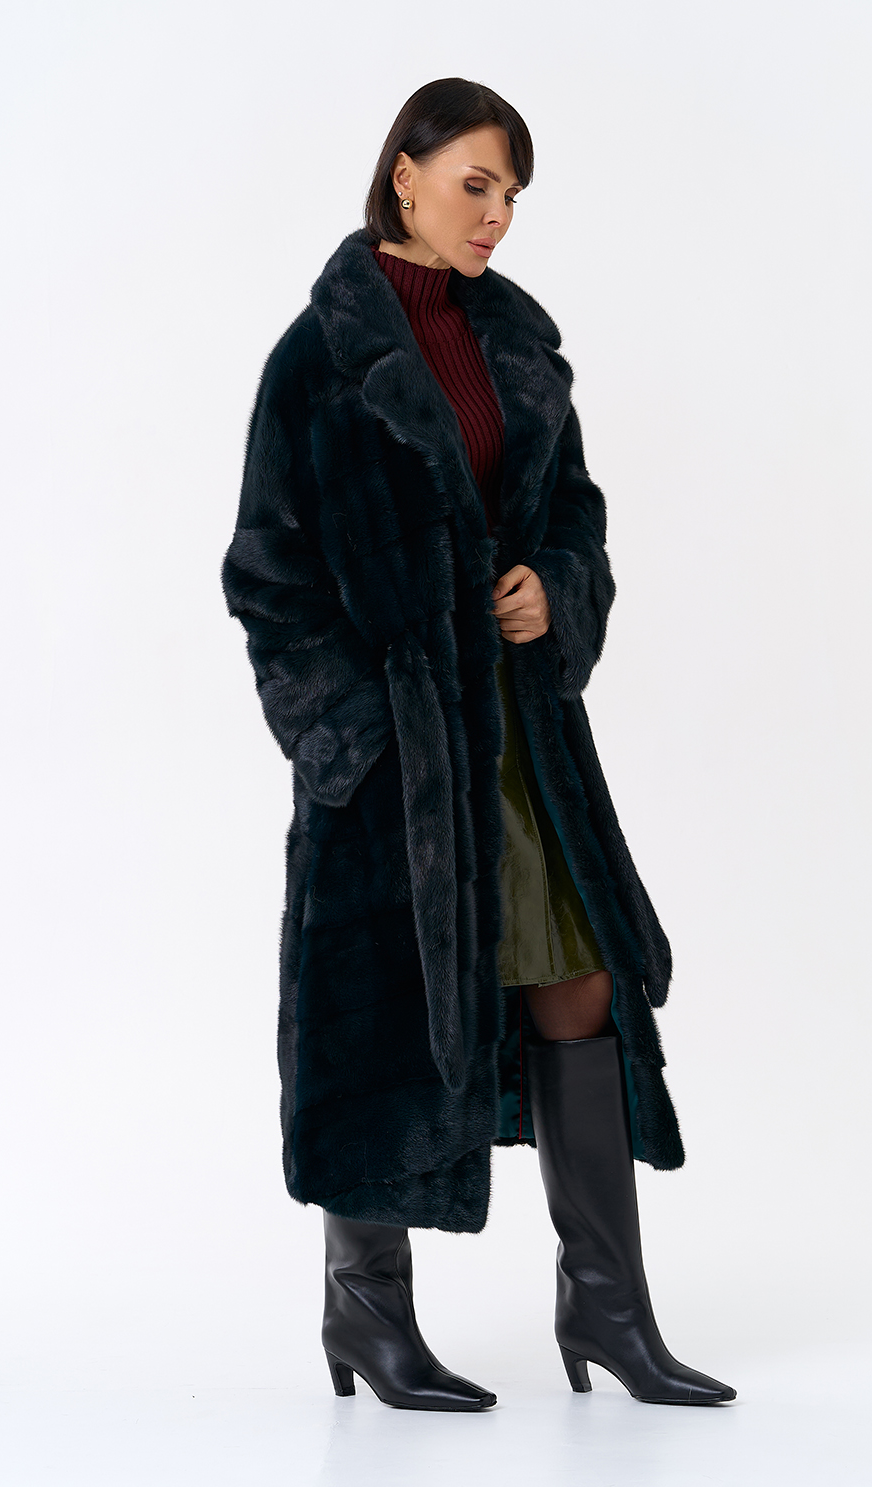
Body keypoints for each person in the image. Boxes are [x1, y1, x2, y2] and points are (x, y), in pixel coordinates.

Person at [222, 77, 735, 1412]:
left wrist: (555, 590)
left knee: (580, 985)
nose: (497, 215)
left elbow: (576, 516)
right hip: (396, 760)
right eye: (476, 184)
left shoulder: (517, 343)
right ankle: (366, 1315)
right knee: (378, 1017)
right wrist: (350, 735)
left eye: (511, 195)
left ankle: (607, 1311)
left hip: (520, 734)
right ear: (405, 174)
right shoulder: (319, 359)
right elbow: (268, 575)